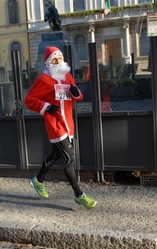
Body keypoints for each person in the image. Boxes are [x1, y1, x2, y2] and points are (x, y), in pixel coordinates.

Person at [24, 46, 97, 209]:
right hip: (55, 124)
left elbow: (77, 97)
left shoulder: (67, 75)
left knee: (56, 155)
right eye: (54, 59)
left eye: (60, 58)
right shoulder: (43, 80)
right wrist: (46, 107)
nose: (58, 62)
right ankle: (79, 195)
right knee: (69, 157)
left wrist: (76, 91)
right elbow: (29, 100)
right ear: (49, 62)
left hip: (68, 123)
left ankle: (38, 180)